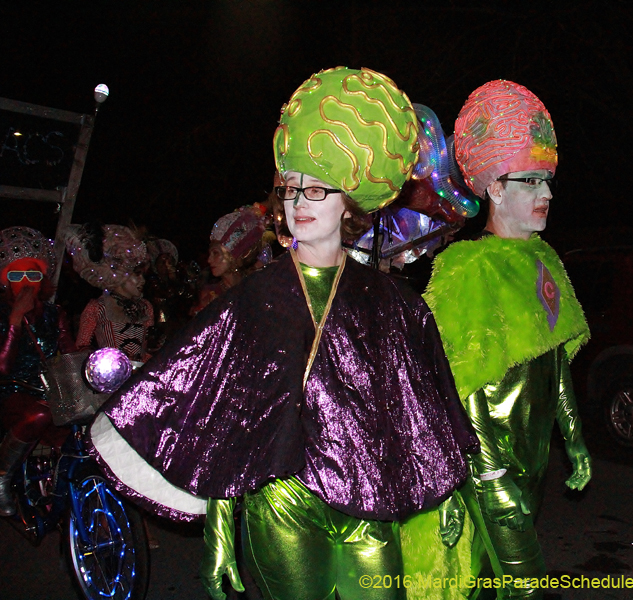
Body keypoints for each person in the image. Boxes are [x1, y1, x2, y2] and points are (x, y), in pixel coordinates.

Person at [88, 66, 478, 600]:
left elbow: (418, 402)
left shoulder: (392, 303)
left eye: (317, 190)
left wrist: (451, 495)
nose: (298, 203)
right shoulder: (254, 298)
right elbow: (227, 417)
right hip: (282, 508)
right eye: (290, 188)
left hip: (370, 506)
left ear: (350, 201)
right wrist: (221, 534)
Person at [402, 80, 592, 600]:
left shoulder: (544, 261)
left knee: (487, 583)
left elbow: (552, 363)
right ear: (495, 189)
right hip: (490, 466)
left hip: (531, 462)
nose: (546, 194)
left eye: (547, 181)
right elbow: (457, 383)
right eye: (530, 181)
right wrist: (490, 475)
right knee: (524, 587)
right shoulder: (467, 269)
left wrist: (573, 440)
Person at [0, 227, 76, 516]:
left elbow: (69, 354)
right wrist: (15, 321)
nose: (26, 282)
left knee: (84, 436)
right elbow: (3, 368)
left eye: (32, 274)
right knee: (40, 414)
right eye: (16, 275)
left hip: (49, 390)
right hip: (12, 392)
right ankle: (2, 475)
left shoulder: (54, 314)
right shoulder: (2, 314)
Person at [65, 224, 154, 363]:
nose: (142, 280)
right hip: (109, 378)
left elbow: (147, 349)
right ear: (119, 275)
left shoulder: (146, 307)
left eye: (143, 275)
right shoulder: (97, 307)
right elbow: (81, 347)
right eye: (137, 275)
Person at [190, 204, 269, 316]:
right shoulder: (209, 296)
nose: (209, 260)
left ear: (237, 254)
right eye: (210, 253)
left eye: (216, 253)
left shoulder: (255, 289)